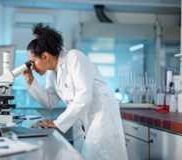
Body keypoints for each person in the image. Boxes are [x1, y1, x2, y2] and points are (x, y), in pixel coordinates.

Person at [22, 23, 128, 160]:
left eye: (33, 61)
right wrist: (31, 81)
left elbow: (84, 96)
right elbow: (49, 101)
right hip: (83, 124)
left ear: (45, 56)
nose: (32, 67)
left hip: (101, 119)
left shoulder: (74, 58)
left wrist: (57, 123)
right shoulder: (52, 72)